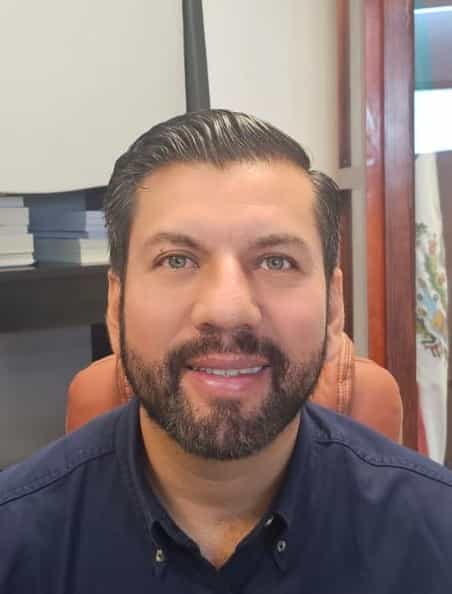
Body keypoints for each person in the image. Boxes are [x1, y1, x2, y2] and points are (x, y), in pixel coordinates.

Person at [1, 110, 451, 593]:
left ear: (334, 306)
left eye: (276, 261)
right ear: (116, 305)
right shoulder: (16, 544)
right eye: (177, 260)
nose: (228, 310)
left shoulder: (436, 535)